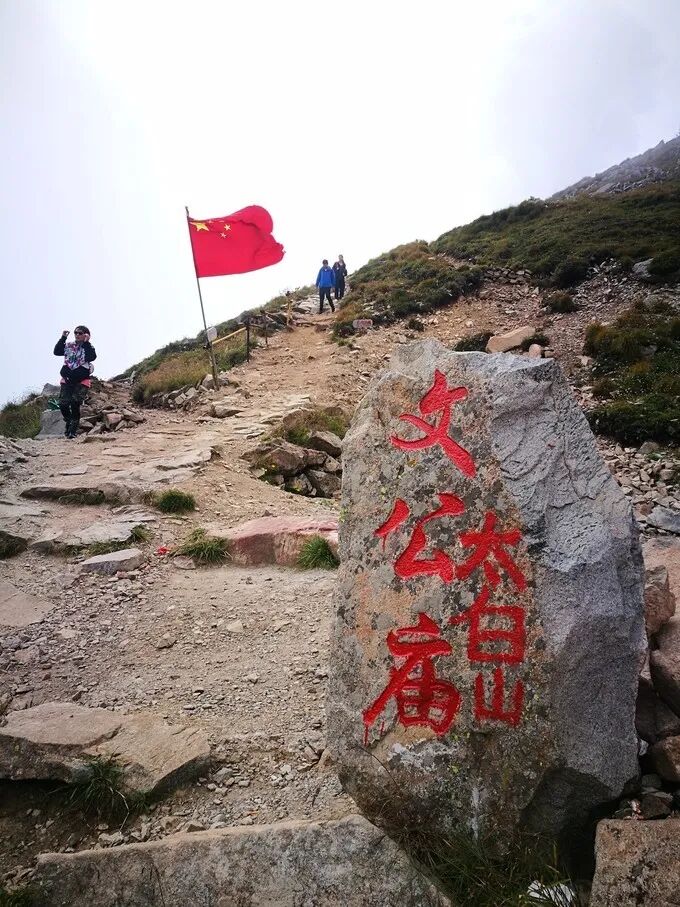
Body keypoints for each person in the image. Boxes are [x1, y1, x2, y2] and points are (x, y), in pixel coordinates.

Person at [53, 326, 96, 439]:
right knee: (63, 404)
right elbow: (56, 351)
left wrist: (86, 343)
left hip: (82, 381)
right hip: (67, 380)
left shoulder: (88, 347)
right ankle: (69, 421)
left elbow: (92, 357)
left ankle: (72, 431)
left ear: (86, 335)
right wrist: (63, 338)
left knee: (75, 404)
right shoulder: (69, 345)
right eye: (75, 333)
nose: (77, 335)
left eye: (80, 333)